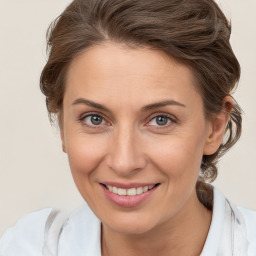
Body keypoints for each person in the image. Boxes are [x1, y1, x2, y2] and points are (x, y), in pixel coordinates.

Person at [0, 0, 256, 255]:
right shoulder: (23, 247)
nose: (124, 162)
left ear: (215, 127)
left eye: (161, 120)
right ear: (63, 126)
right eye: (95, 119)